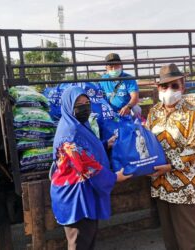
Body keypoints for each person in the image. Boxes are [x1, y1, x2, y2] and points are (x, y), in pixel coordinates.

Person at [50, 86, 131, 250]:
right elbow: (86, 165)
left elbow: (86, 149)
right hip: (75, 199)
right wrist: (115, 177)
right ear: (68, 106)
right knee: (80, 243)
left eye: (87, 103)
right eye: (78, 104)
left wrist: (105, 144)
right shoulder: (70, 132)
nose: (85, 107)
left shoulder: (78, 125)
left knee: (87, 239)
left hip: (82, 192)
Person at [146, 63, 195, 250]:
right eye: (165, 86)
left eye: (174, 86)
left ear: (183, 86)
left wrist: (170, 166)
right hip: (161, 185)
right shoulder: (154, 112)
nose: (169, 90)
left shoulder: (192, 114)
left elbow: (194, 151)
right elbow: (147, 140)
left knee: (189, 242)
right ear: (158, 88)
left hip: (184, 187)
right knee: (170, 240)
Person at [99, 53, 141, 117]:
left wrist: (128, 107)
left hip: (126, 112)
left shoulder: (128, 78)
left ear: (121, 65)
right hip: (110, 114)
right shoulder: (103, 80)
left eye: (116, 65)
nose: (114, 69)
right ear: (106, 68)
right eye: (111, 67)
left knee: (136, 110)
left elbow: (135, 96)